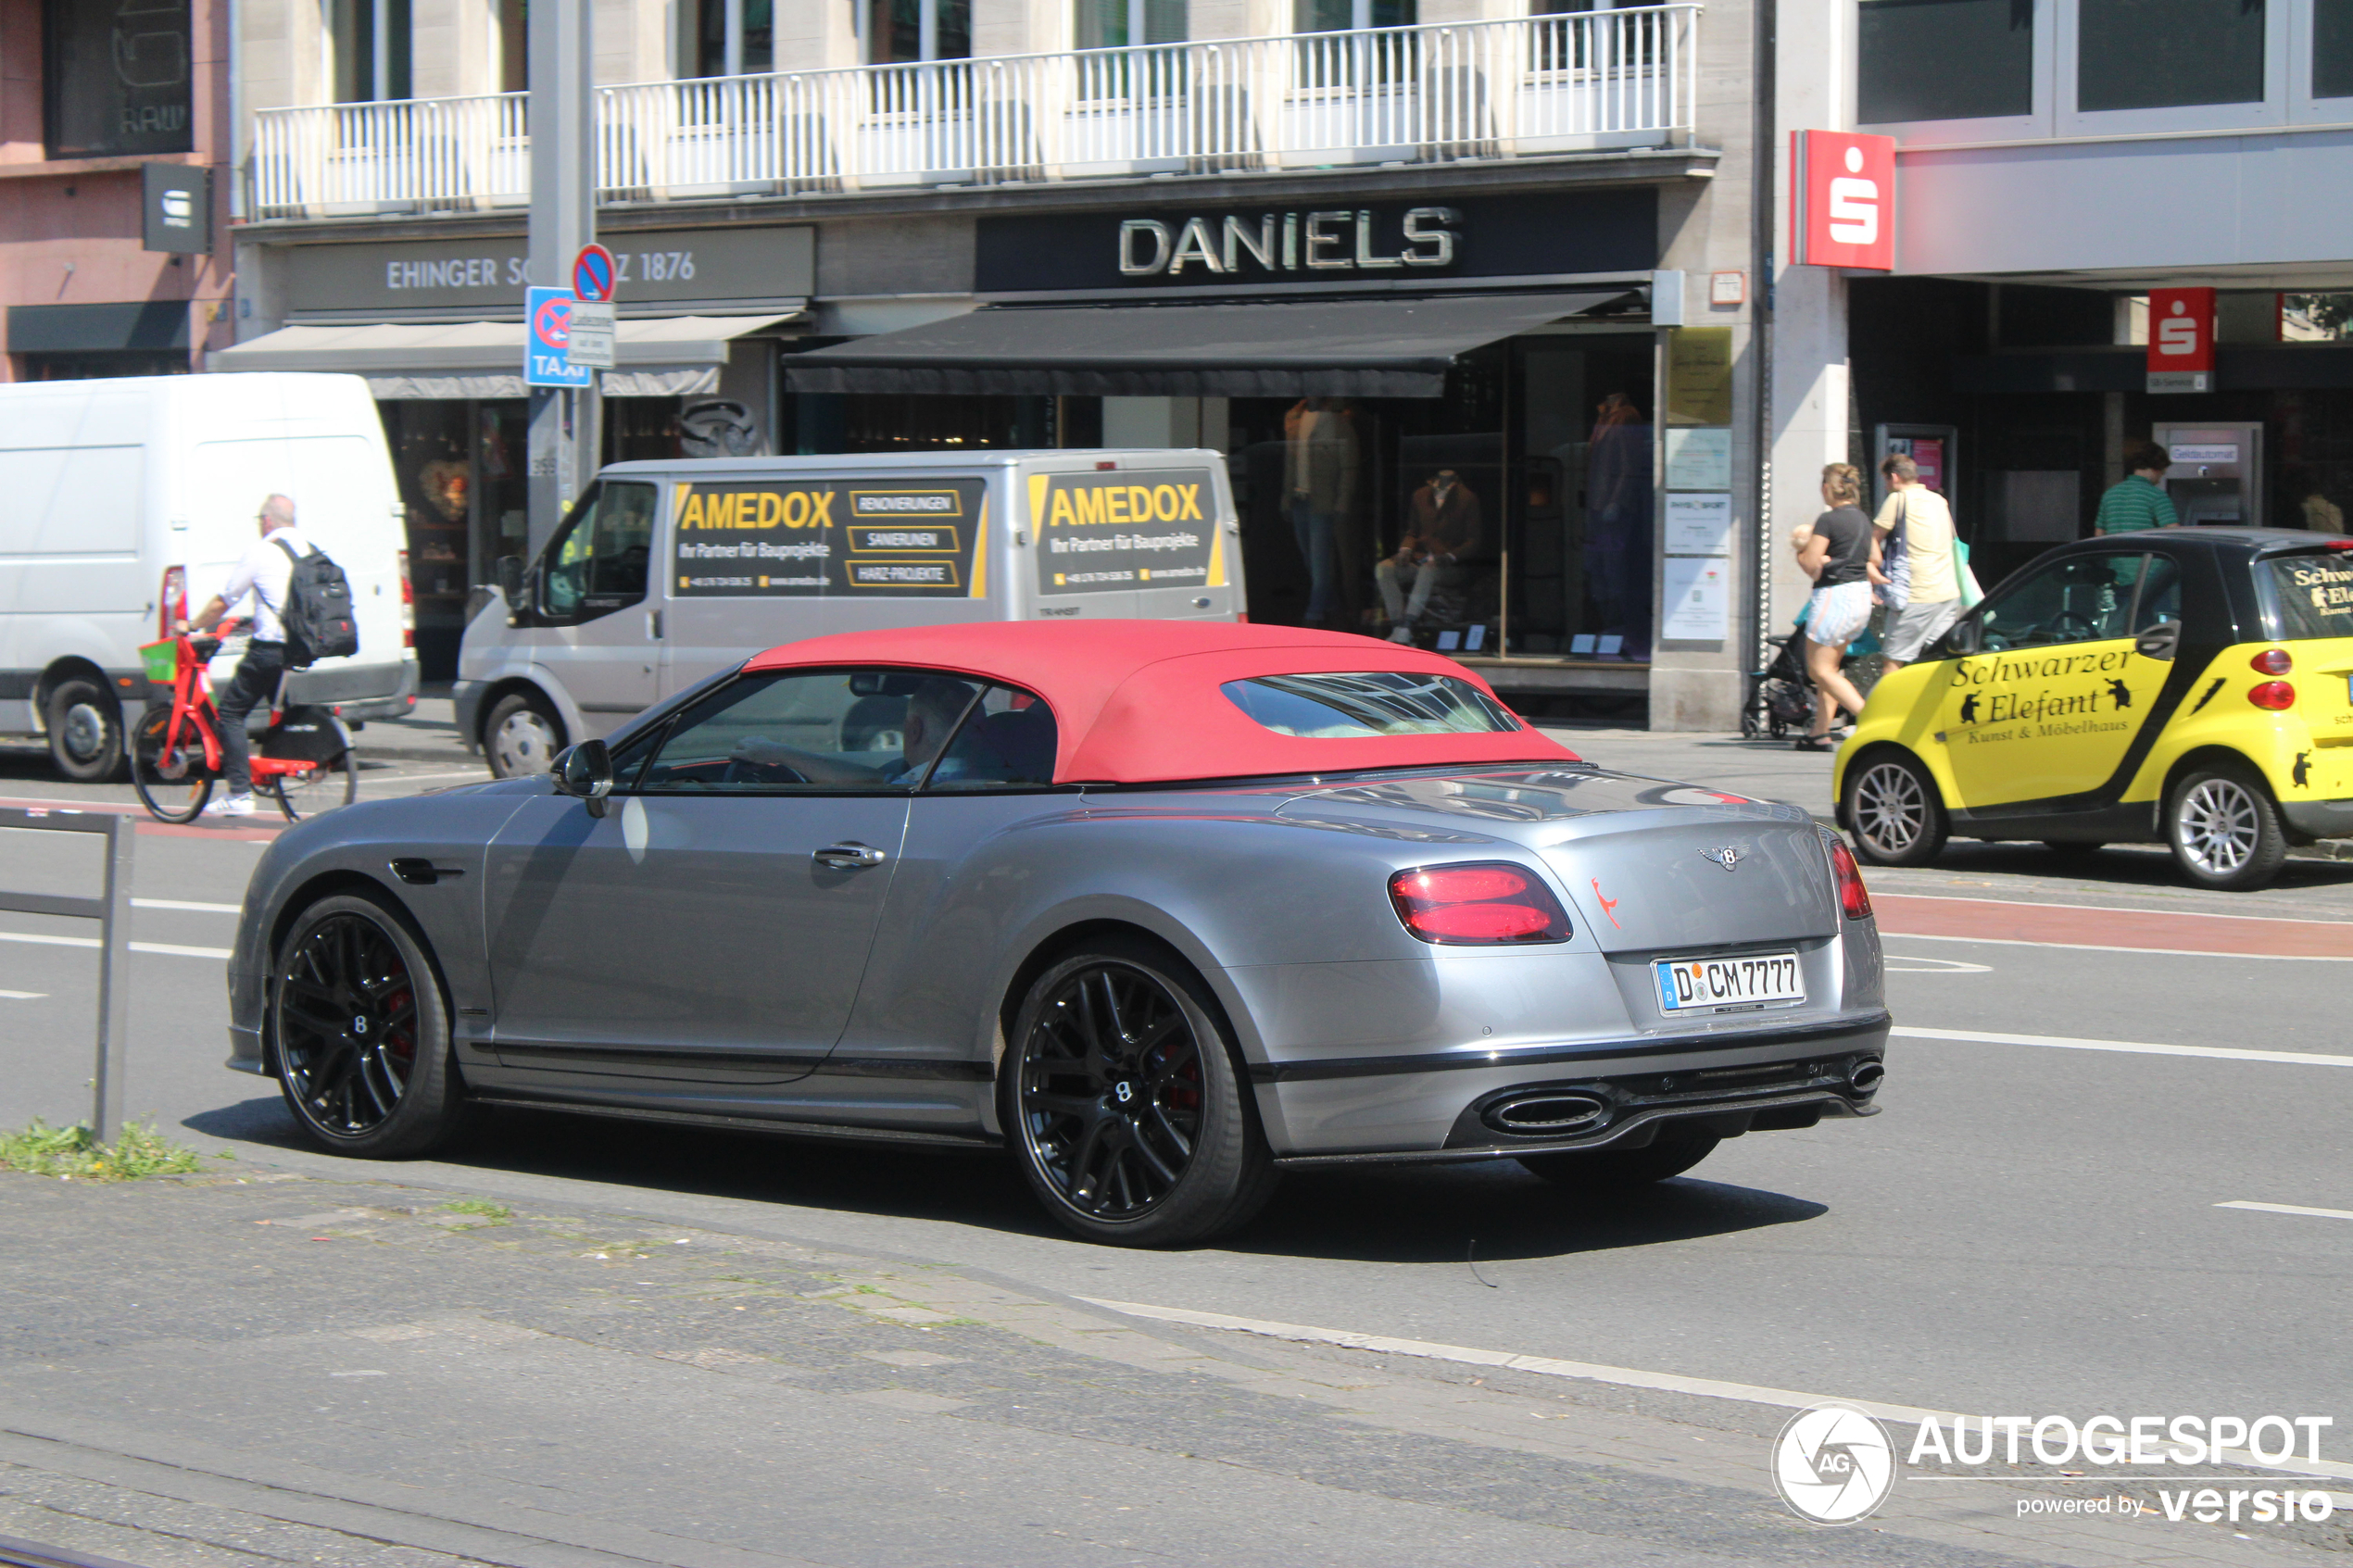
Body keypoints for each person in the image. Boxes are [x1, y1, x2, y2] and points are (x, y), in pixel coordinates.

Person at [182, 494, 315, 818]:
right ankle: (279, 770)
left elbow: (223, 601)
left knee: (229, 713)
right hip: (300, 646)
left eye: (259, 520)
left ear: (267, 521)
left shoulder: (262, 551)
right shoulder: (308, 550)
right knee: (278, 713)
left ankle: (240, 793)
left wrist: (193, 625)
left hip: (268, 648)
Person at [1793, 464, 1882, 752]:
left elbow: (1810, 563)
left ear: (1827, 488)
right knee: (1831, 668)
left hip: (1834, 597)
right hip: (1859, 596)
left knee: (1819, 670)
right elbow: (1876, 557)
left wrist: (1801, 550)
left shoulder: (1828, 520)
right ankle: (1819, 733)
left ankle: (1873, 720)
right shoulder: (1862, 519)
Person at [1872, 454, 1963, 671]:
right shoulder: (1939, 501)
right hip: (1948, 594)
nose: (1886, 486)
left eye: (1886, 480)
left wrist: (1874, 572)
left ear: (1894, 477)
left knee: (1893, 660)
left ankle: (1889, 706)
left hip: (1915, 595)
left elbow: (1873, 539)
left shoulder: (1899, 498)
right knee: (1939, 662)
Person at [1378, 469, 1483, 643]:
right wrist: (1406, 549)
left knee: (1428, 570)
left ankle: (1407, 626)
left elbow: (1473, 541)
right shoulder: (1420, 495)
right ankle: (1397, 623)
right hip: (1421, 558)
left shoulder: (1467, 498)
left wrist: (1449, 556)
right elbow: (1413, 531)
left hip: (1451, 566)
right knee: (1384, 568)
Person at [1284, 397, 1358, 627]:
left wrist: (1342, 502)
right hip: (1300, 499)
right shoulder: (1296, 420)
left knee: (1319, 562)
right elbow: (1290, 462)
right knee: (1311, 561)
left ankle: (1313, 616)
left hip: (1323, 502)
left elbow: (1349, 467)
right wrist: (1286, 498)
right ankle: (1334, 608)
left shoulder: (1338, 424)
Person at [2095, 442, 2179, 534]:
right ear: (2156, 468)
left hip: (2114, 548)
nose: (2160, 479)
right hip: (2142, 548)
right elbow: (2173, 531)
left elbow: (2099, 533)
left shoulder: (2109, 494)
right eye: (2162, 473)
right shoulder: (2157, 496)